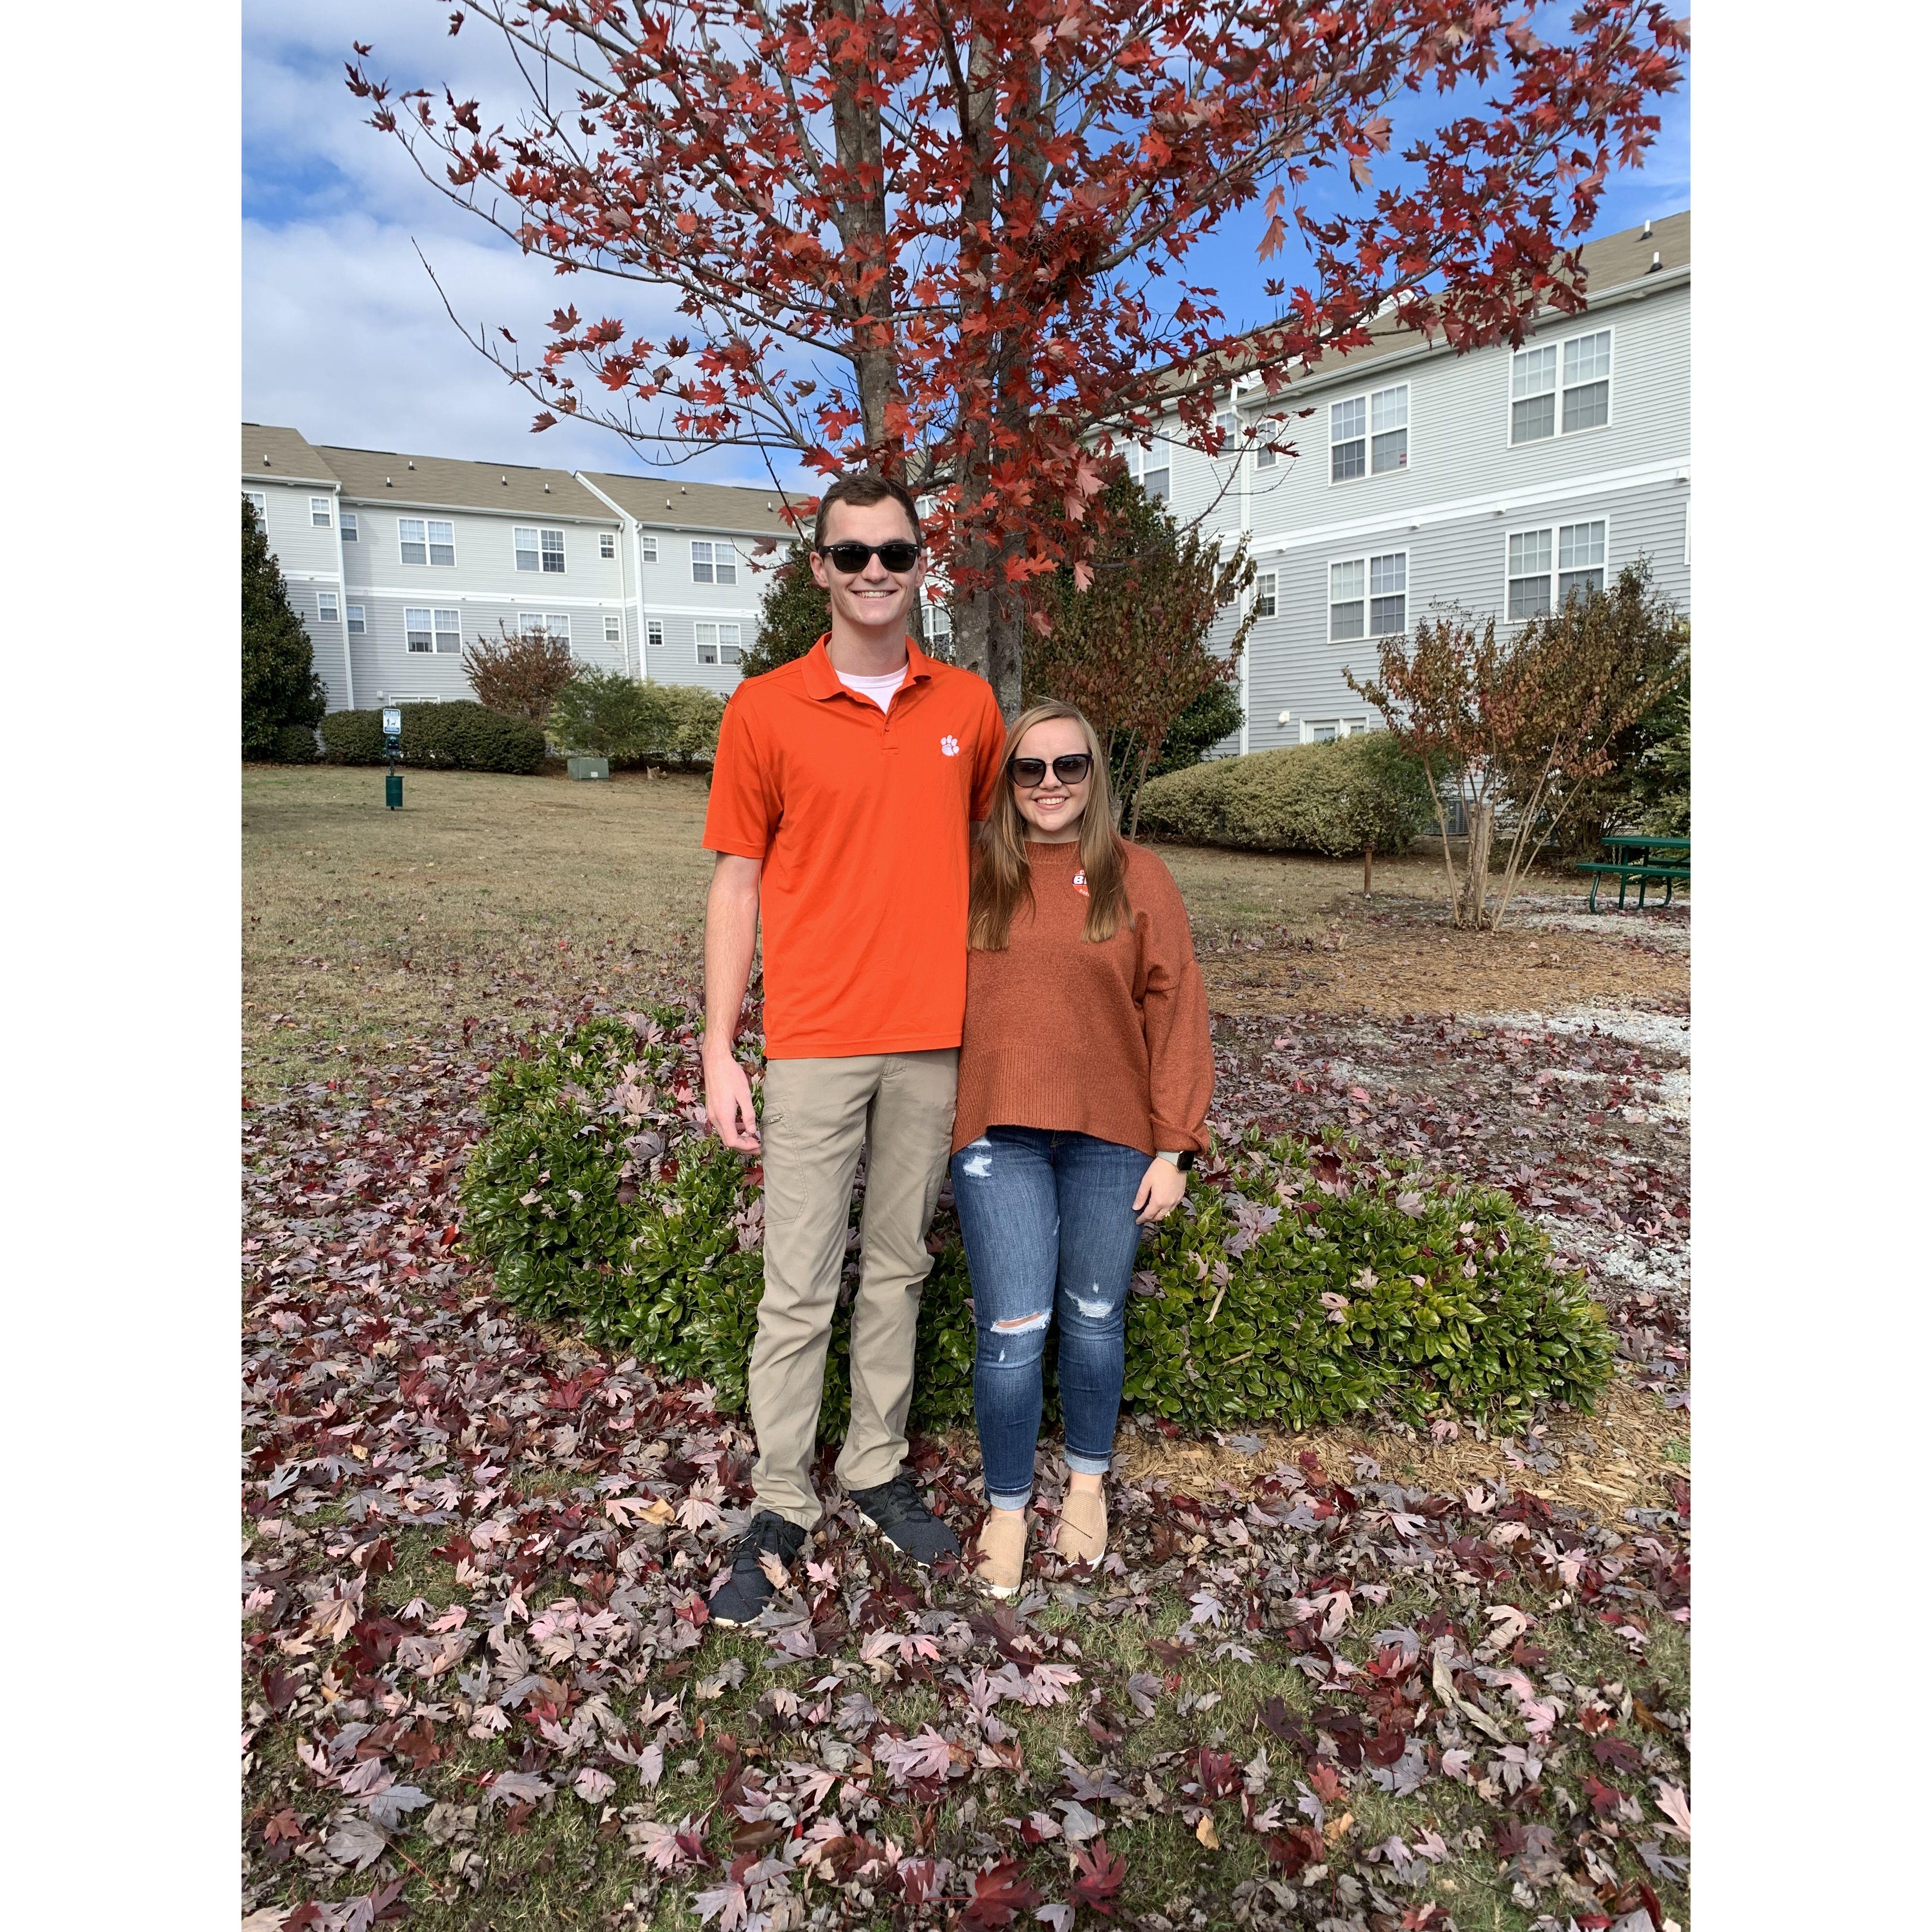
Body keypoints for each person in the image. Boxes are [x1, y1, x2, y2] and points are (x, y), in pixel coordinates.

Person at [699, 472, 1009, 1625]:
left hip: (932, 1040)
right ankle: (783, 1496)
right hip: (816, 1040)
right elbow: (736, 883)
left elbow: (997, 859)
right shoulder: (764, 709)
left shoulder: (968, 707)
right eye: (853, 554)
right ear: (819, 568)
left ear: (921, 564)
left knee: (900, 1269)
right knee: (797, 1286)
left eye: (896, 552)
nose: (876, 572)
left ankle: (875, 1469)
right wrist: (719, 1048)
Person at [949, 700, 1214, 1597]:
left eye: (1070, 766)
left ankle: (1089, 1486)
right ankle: (1007, 1508)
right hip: (999, 1135)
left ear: (1095, 775)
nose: (1051, 783)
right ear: (1008, 782)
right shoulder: (973, 874)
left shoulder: (1139, 876)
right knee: (1013, 1331)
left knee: (1097, 1319)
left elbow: (1176, 1008)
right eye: (1030, 768)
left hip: (1112, 1137)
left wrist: (1174, 1148)